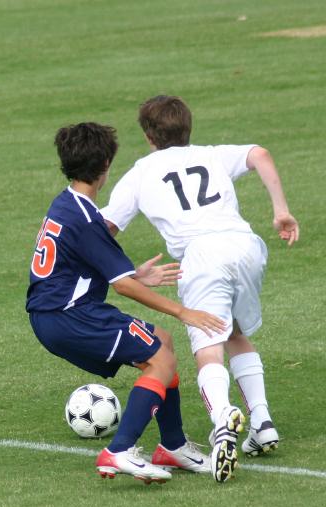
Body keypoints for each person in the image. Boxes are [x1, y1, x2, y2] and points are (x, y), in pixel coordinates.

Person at [101, 95, 299, 483]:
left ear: (147, 135)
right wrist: (280, 210)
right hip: (246, 246)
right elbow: (260, 153)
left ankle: (223, 418)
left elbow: (105, 228)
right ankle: (261, 424)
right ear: (188, 127)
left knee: (209, 341)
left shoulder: (142, 172)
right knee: (235, 332)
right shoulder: (211, 155)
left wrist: (123, 272)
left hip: (202, 256)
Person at [26, 122, 227, 484]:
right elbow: (123, 288)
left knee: (162, 340)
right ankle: (120, 450)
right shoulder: (87, 219)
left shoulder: (66, 204)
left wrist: (135, 273)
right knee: (161, 359)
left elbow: (78, 266)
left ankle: (173, 446)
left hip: (56, 314)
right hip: (72, 316)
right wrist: (184, 311)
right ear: (105, 165)